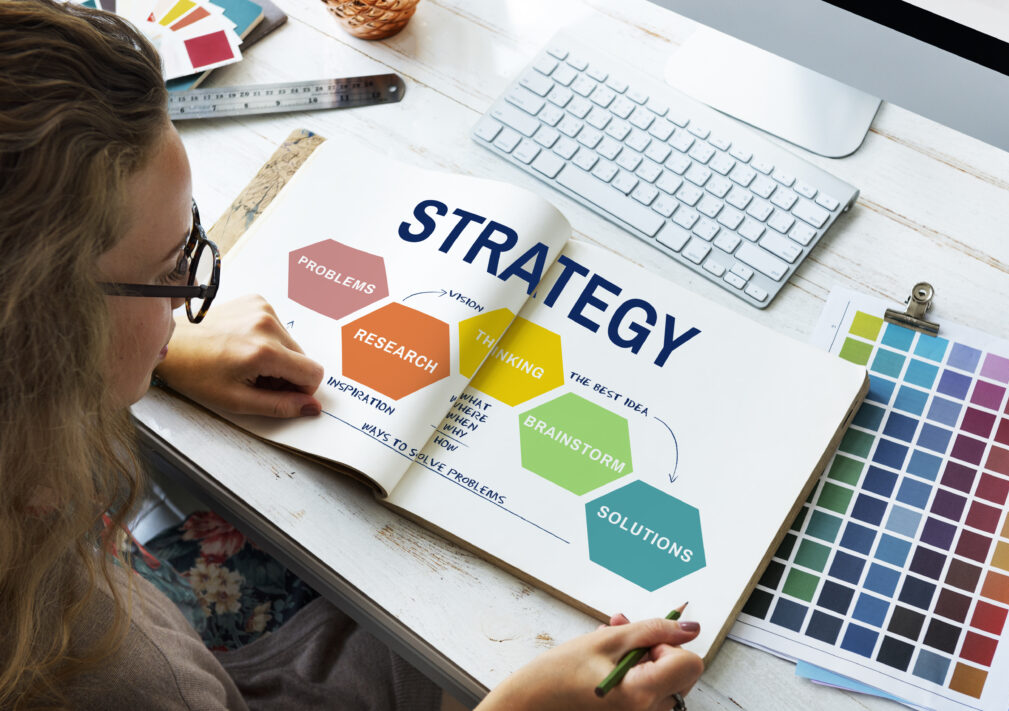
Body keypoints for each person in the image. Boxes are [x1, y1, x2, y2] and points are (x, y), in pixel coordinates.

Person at [0, 1, 704, 709]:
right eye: (167, 266)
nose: (189, 294)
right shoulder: (130, 684)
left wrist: (159, 348)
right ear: (50, 333)